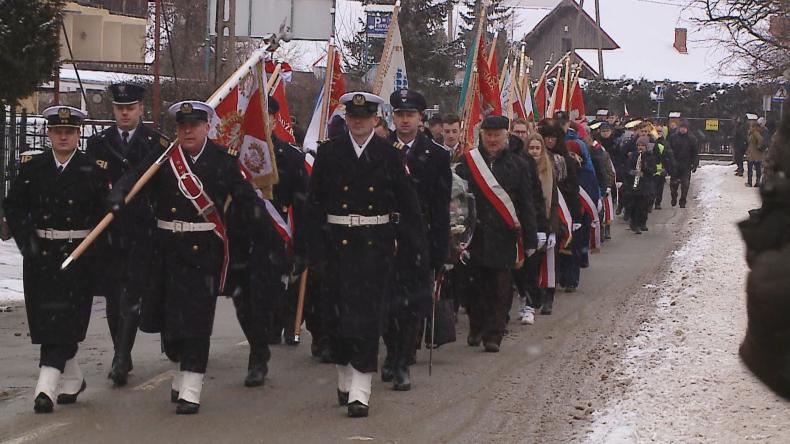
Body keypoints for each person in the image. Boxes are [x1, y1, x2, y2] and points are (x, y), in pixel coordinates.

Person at [108, 101, 259, 414]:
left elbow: (245, 202)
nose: (188, 131)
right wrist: (120, 193)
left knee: (197, 321)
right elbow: (135, 179)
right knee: (171, 327)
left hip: (204, 251)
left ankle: (191, 385)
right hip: (166, 250)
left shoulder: (223, 161)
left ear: (207, 127)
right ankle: (181, 365)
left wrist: (251, 242)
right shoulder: (164, 158)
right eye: (182, 126)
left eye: (194, 125)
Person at [304, 92, 427, 417]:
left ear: (375, 119)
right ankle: (345, 376)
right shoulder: (329, 154)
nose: (357, 122)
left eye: (364, 116)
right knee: (338, 320)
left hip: (375, 247)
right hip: (336, 246)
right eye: (352, 116)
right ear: (346, 119)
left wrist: (417, 249)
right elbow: (313, 205)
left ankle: (361, 388)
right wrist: (309, 250)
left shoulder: (389, 154)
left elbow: (408, 205)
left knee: (367, 321)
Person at [4, 106, 107, 413]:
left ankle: (45, 388)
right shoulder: (33, 168)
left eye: (70, 131)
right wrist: (28, 243)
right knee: (47, 320)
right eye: (58, 131)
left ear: (78, 134)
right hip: (41, 257)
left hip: (77, 257)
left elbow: (105, 217)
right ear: (49, 133)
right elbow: (14, 207)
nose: (63, 136)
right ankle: (73, 377)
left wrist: (96, 253)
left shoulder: (93, 169)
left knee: (64, 321)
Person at [85, 83, 168, 387]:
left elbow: (162, 189)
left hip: (140, 229)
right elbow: (92, 185)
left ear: (141, 109)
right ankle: (121, 350)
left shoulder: (155, 144)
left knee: (131, 294)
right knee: (111, 295)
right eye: (120, 108)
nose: (124, 113)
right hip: (108, 229)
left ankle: (121, 356)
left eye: (130, 108)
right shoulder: (98, 144)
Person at [384, 89, 451, 391]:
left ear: (421, 119)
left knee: (411, 301)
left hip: (418, 235)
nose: (405, 120)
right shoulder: (380, 149)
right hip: (383, 234)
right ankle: (391, 349)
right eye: (400, 115)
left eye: (410, 115)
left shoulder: (436, 155)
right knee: (385, 302)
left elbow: (440, 206)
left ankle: (402, 358)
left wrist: (439, 249)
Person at [455, 116, 538, 352]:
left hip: (504, 235)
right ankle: (477, 325)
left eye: (497, 134)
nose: (492, 139)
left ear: (505, 135)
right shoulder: (467, 162)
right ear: (481, 135)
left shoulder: (518, 164)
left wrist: (530, 237)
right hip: (473, 234)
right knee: (473, 286)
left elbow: (527, 203)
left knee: (500, 287)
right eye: (488, 134)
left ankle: (495, 333)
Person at [263, 97, 310, 347]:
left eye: (268, 116)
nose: (264, 121)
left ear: (274, 121)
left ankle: (288, 322)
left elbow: (303, 203)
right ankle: (266, 330)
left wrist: (302, 247)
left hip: (284, 232)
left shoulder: (291, 157)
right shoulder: (239, 155)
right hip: (255, 234)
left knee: (287, 283)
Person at [516, 134, 559, 324]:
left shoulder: (549, 170)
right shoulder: (520, 167)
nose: (534, 151)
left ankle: (530, 305)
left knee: (533, 269)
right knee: (518, 269)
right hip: (521, 224)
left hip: (540, 224)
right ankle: (523, 297)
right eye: (531, 148)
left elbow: (551, 202)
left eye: (537, 148)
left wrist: (550, 230)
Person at [625, 137, 657, 234]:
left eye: (643, 145)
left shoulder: (650, 157)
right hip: (634, 184)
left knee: (644, 206)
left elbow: (653, 170)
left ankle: (642, 222)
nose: (641, 147)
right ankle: (635, 224)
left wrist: (645, 168)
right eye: (639, 145)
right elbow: (627, 168)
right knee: (634, 205)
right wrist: (632, 172)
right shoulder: (633, 156)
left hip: (645, 184)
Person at [668, 120, 698, 208]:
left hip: (686, 164)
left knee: (685, 184)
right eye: (681, 128)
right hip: (675, 164)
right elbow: (669, 150)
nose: (683, 130)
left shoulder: (692, 139)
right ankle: (674, 196)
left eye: (684, 128)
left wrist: (694, 164)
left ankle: (683, 200)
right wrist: (670, 162)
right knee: (673, 184)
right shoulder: (673, 137)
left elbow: (695, 152)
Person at [746, 119, 766, 188]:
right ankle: (753, 182)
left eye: (751, 126)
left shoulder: (755, 133)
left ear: (754, 127)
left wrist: (759, 146)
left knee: (753, 169)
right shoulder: (751, 133)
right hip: (752, 154)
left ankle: (751, 182)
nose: (750, 127)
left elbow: (760, 139)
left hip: (754, 155)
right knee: (756, 169)